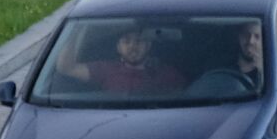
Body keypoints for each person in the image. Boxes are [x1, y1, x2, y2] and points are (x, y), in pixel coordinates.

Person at [57, 24, 185, 95]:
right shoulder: (105, 69)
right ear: (118, 47)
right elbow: (66, 68)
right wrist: (75, 31)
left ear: (148, 46)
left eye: (139, 41)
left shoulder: (167, 73)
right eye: (126, 41)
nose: (132, 46)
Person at [189, 18, 267, 98]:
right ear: (239, 37)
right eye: (246, 35)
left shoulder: (270, 73)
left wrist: (262, 71)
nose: (251, 41)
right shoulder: (220, 66)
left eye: (257, 36)